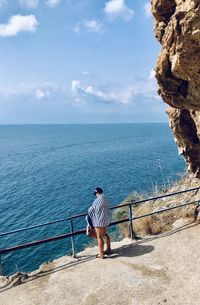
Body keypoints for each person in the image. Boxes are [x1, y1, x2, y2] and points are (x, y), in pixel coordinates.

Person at [88, 187, 111, 259]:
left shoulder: (96, 201)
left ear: (97, 193)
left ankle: (101, 254)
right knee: (105, 234)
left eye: (95, 194)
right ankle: (108, 249)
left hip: (99, 222)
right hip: (106, 220)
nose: (96, 195)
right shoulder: (106, 198)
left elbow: (90, 211)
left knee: (99, 237)